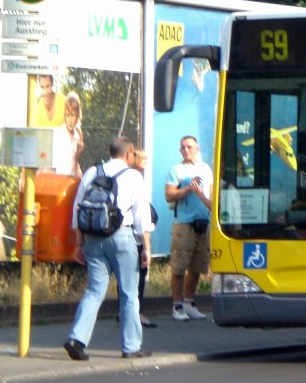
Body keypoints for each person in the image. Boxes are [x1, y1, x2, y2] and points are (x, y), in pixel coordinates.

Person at [63, 137, 152, 360]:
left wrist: (78, 244)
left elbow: (78, 209)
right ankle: (131, 347)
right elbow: (142, 216)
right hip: (122, 236)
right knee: (129, 293)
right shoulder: (133, 176)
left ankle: (77, 339)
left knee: (94, 290)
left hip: (93, 237)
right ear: (129, 153)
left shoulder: (93, 172)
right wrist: (146, 249)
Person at [164, 135, 213, 321]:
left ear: (197, 148)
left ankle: (189, 303)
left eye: (189, 147)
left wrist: (201, 195)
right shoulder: (176, 169)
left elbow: (211, 199)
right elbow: (169, 195)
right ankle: (176, 305)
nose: (186, 150)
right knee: (179, 266)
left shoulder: (205, 169)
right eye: (183, 147)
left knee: (198, 265)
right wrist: (186, 190)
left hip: (203, 222)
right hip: (184, 223)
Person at [133, 147, 157, 327]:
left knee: (127, 278)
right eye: (144, 159)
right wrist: (147, 247)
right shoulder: (136, 179)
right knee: (139, 275)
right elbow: (142, 217)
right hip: (135, 236)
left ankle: (125, 311)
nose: (147, 162)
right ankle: (137, 313)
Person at [50, 92, 85, 176]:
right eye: (67, 115)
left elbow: (75, 160)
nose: (69, 120)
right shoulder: (57, 133)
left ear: (77, 116)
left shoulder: (78, 135)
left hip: (71, 179)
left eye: (72, 115)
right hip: (57, 178)